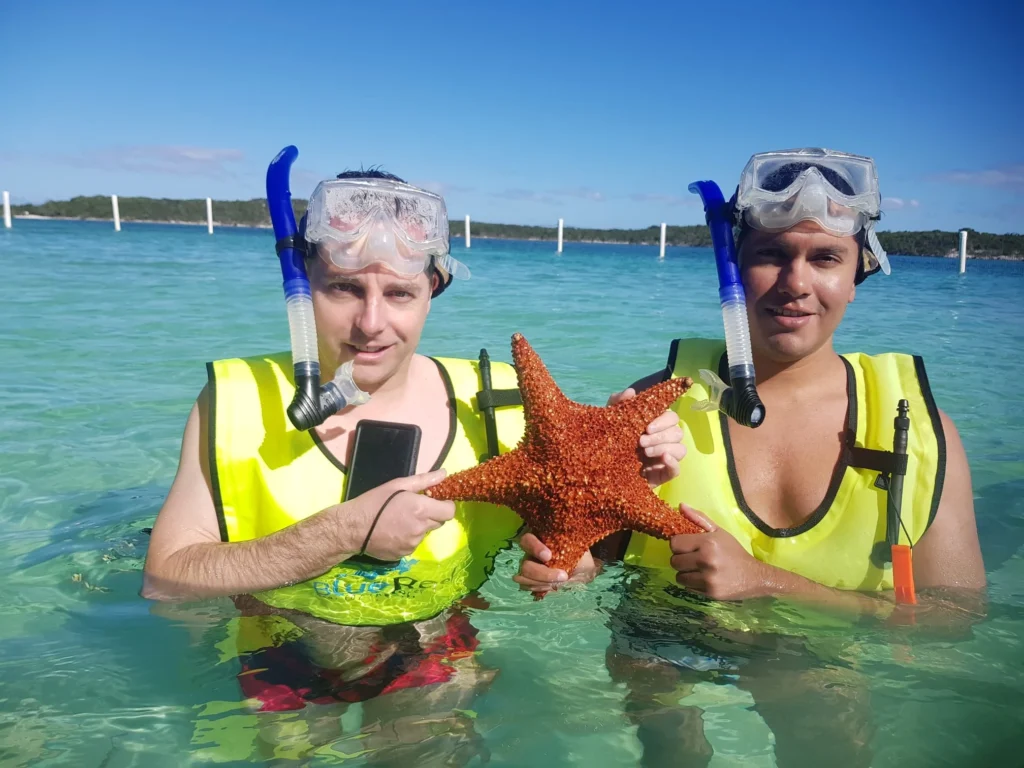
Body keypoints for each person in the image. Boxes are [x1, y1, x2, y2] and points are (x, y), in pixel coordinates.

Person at [141, 163, 684, 764]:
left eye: (400, 292)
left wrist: (600, 527)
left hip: (433, 649)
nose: (371, 323)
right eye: (343, 287)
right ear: (301, 282)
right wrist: (343, 530)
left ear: (435, 288)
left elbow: (565, 558)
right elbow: (166, 579)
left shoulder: (502, 404)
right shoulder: (236, 400)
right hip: (279, 647)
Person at [515, 148, 987, 767]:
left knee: (827, 744)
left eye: (825, 258)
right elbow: (581, 554)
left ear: (858, 272)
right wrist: (563, 564)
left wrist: (768, 583)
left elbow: (954, 622)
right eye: (770, 254)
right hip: (660, 643)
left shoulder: (923, 433)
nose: (796, 282)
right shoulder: (651, 406)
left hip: (822, 660)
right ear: (732, 266)